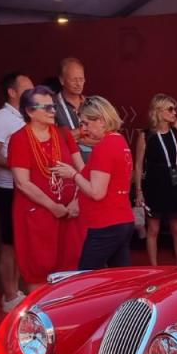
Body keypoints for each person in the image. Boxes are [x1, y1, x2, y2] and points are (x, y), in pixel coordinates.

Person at [6, 85, 83, 286]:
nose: (53, 111)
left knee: (70, 271)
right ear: (30, 111)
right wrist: (52, 207)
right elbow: (22, 183)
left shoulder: (64, 134)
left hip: (69, 212)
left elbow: (81, 170)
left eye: (53, 106)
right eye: (46, 107)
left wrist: (76, 200)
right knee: (40, 272)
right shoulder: (20, 139)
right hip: (38, 214)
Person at [65, 97, 135, 270]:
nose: (84, 129)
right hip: (122, 219)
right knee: (119, 279)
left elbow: (97, 192)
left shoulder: (105, 146)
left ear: (101, 121)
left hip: (105, 224)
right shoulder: (119, 140)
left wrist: (72, 175)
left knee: (85, 279)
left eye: (86, 123)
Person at [0, 71, 32, 313]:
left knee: (22, 243)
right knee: (9, 244)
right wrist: (18, 164)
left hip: (27, 189)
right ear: (12, 92)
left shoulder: (28, 116)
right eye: (27, 89)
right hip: (7, 188)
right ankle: (9, 294)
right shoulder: (1, 118)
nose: (33, 94)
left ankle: (16, 290)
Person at [133, 93, 177, 266]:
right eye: (170, 109)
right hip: (154, 185)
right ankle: (154, 267)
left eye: (175, 108)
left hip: (174, 183)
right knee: (153, 228)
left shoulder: (176, 131)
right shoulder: (146, 135)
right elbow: (139, 165)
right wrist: (139, 191)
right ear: (159, 111)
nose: (174, 112)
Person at [53, 58, 85, 131]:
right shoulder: (52, 105)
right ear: (62, 80)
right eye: (74, 80)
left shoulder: (91, 103)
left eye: (81, 79)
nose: (78, 84)